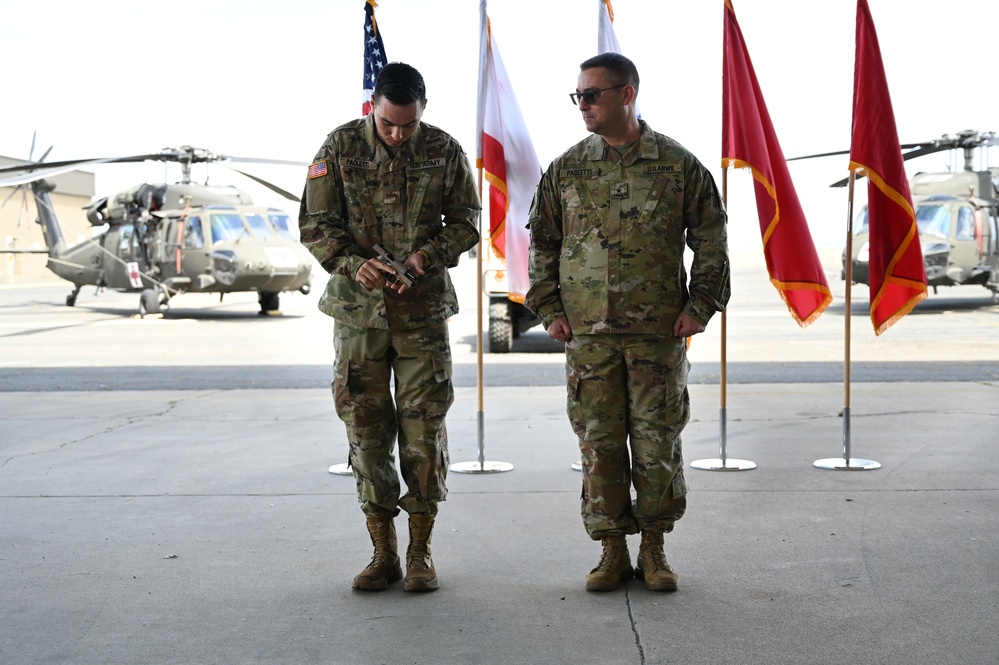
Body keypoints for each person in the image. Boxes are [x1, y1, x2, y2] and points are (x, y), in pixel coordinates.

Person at [525, 52, 730, 593]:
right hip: (588, 335)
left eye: (592, 95)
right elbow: (542, 241)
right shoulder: (567, 168)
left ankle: (655, 549)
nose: (583, 105)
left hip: (657, 334)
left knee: (657, 440)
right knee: (599, 443)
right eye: (579, 96)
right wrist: (549, 309)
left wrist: (701, 305)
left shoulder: (677, 165)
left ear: (627, 94)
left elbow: (711, 238)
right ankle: (611, 550)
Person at [299, 62, 479, 593]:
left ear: (422, 112)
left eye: (408, 125)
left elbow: (467, 219)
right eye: (388, 124)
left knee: (423, 432)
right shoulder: (338, 146)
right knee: (367, 430)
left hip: (421, 315)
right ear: (373, 107)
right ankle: (383, 552)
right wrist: (356, 265)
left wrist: (428, 256)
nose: (398, 134)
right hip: (360, 317)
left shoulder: (443, 150)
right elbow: (315, 224)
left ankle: (422, 552)